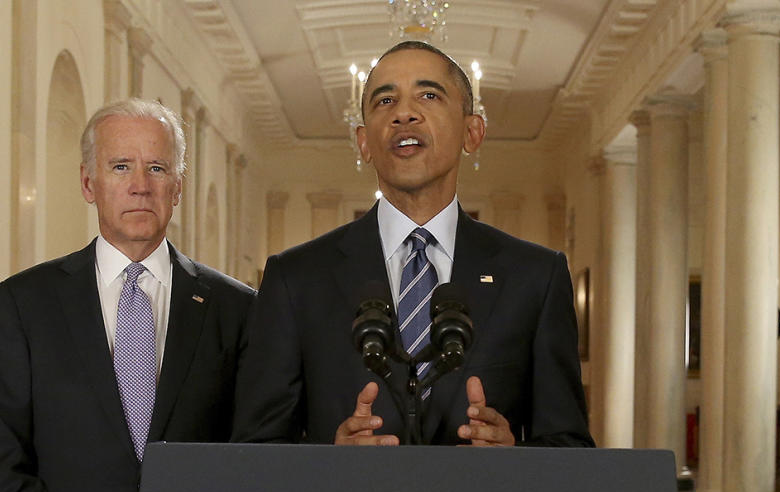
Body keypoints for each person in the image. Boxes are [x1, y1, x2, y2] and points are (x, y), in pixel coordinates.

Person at [0, 98, 255, 492]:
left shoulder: (238, 309)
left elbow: (252, 456)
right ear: (89, 183)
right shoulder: (26, 303)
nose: (140, 185)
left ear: (177, 187)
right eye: (120, 166)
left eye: (157, 168)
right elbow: (3, 463)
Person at [232, 41, 592, 448]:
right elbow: (253, 450)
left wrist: (515, 460)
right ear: (364, 143)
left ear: (472, 132)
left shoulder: (535, 277)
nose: (404, 113)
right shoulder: (295, 279)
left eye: (429, 95)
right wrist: (326, 466)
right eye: (385, 100)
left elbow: (570, 447)